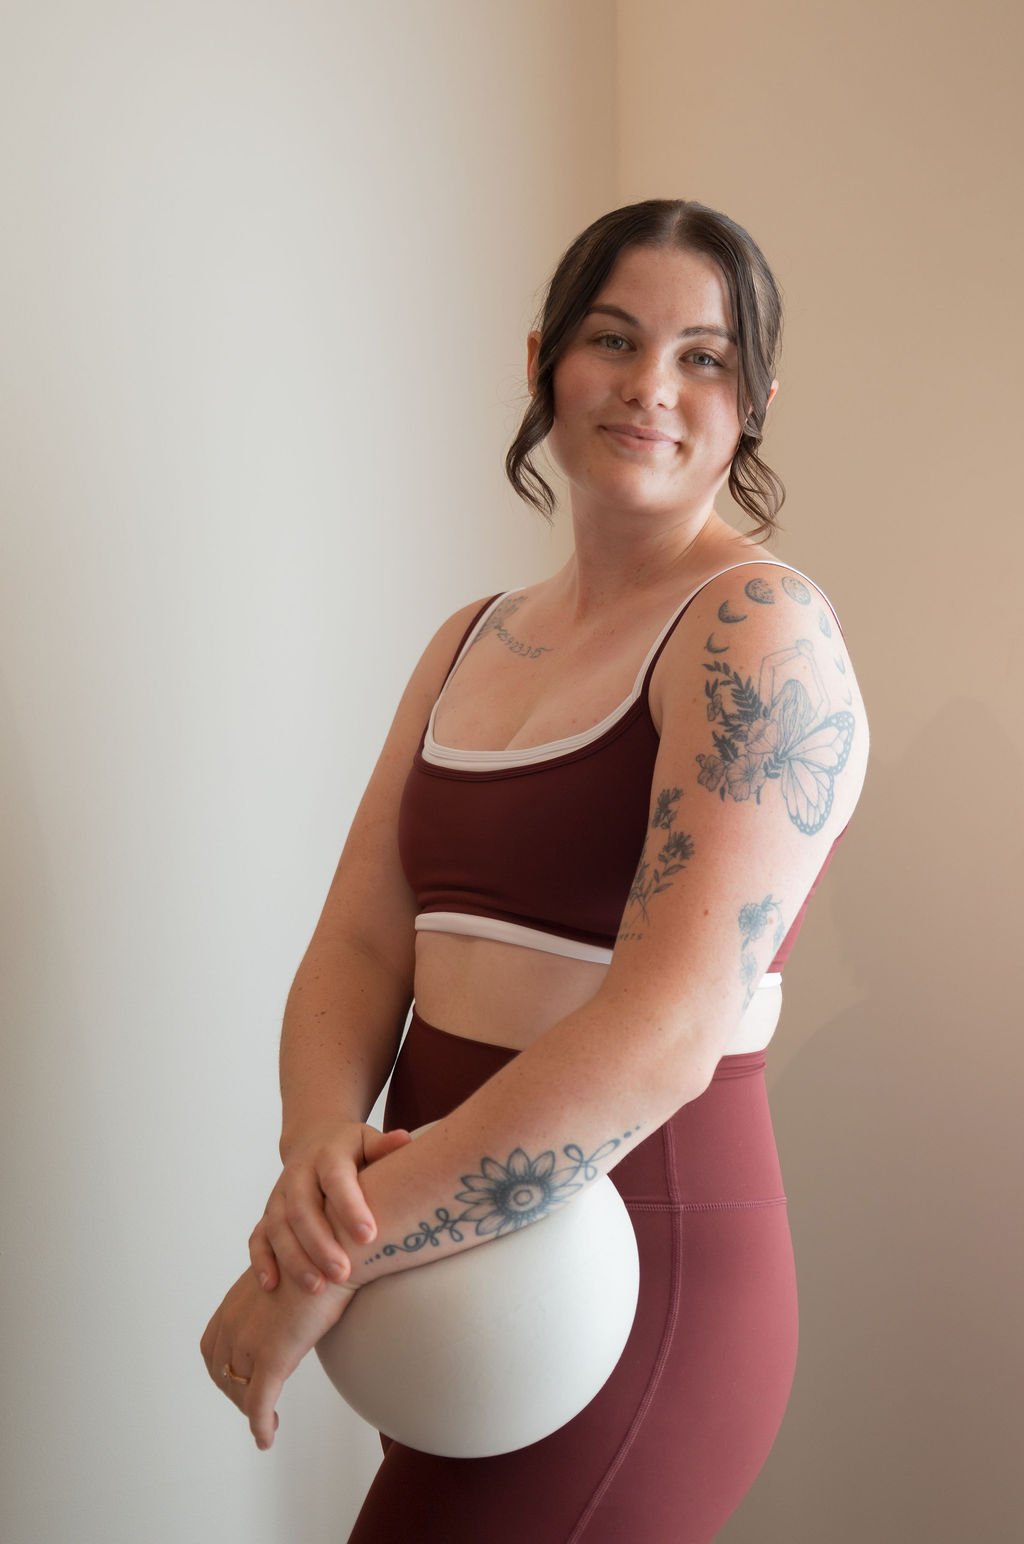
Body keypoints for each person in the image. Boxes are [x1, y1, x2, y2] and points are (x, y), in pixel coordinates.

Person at [201, 197, 870, 1542]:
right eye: (614, 340)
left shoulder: (757, 630)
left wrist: (322, 1253)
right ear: (541, 363)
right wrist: (320, 1147)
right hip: (439, 1266)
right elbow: (360, 947)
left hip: (639, 1272)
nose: (650, 387)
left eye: (704, 357)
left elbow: (666, 1031)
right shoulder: (472, 641)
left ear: (756, 404)